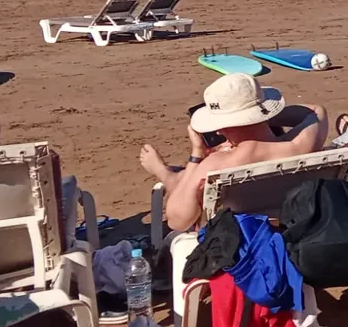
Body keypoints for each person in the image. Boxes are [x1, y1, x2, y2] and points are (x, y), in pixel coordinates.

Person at [138, 74, 330, 232]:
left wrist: (197, 154)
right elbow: (315, 111)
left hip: (238, 246)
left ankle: (165, 174)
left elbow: (178, 221)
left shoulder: (217, 164)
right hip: (295, 233)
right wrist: (263, 116)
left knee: (183, 195)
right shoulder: (300, 144)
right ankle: (168, 175)